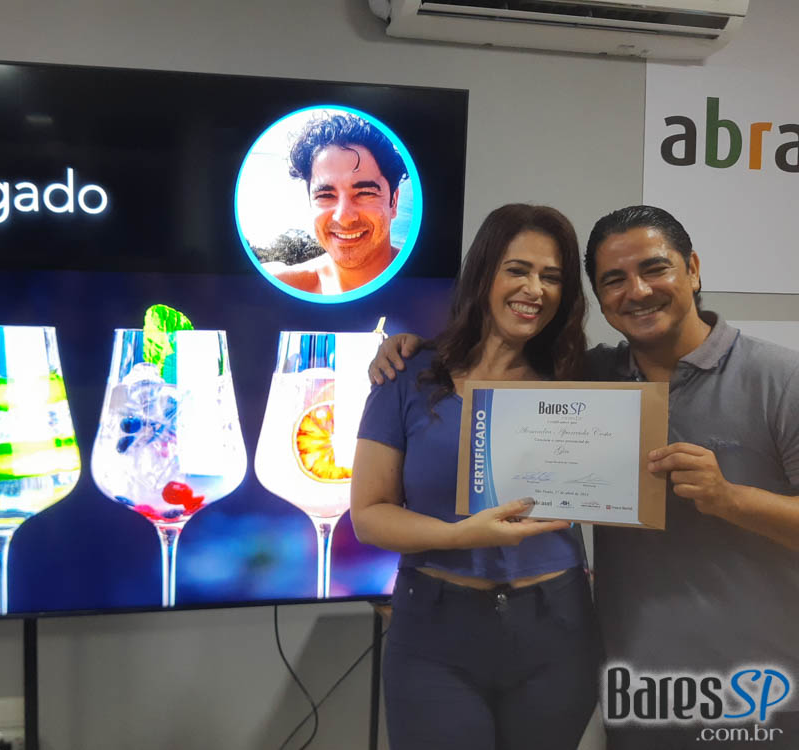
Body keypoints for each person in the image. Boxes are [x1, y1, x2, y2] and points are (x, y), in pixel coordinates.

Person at [370, 205, 799, 749]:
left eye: (655, 268)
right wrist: (407, 346)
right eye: (614, 280)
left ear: (692, 268)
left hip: (763, 688)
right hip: (637, 686)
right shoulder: (590, 377)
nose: (637, 291)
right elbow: (485, 361)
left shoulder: (780, 378)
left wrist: (731, 498)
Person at [351, 204, 601, 750]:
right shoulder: (408, 374)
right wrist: (462, 535)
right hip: (435, 634)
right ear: (484, 273)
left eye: (552, 276)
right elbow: (368, 515)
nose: (534, 289)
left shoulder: (582, 377)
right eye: (518, 270)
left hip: (557, 633)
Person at [263, 113, 408, 294]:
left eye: (365, 193)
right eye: (326, 196)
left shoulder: (432, 286)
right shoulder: (279, 288)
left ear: (394, 201)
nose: (343, 217)